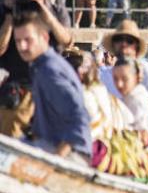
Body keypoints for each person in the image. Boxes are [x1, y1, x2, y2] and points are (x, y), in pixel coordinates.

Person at [0, 0, 73, 137]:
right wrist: (10, 14)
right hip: (18, 86)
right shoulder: (7, 8)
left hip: (49, 83)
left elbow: (67, 41)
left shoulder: (55, 7)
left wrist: (45, 13)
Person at [12, 13, 90, 158]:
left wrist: (57, 159)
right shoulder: (40, 66)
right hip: (49, 144)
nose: (22, 46)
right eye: (18, 41)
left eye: (28, 40)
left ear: (45, 37)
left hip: (70, 155)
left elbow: (80, 118)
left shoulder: (50, 70)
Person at [99, 19, 148, 116]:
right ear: (113, 44)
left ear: (136, 47)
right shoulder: (103, 73)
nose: (123, 44)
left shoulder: (147, 70)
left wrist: (138, 123)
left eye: (129, 40)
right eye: (118, 39)